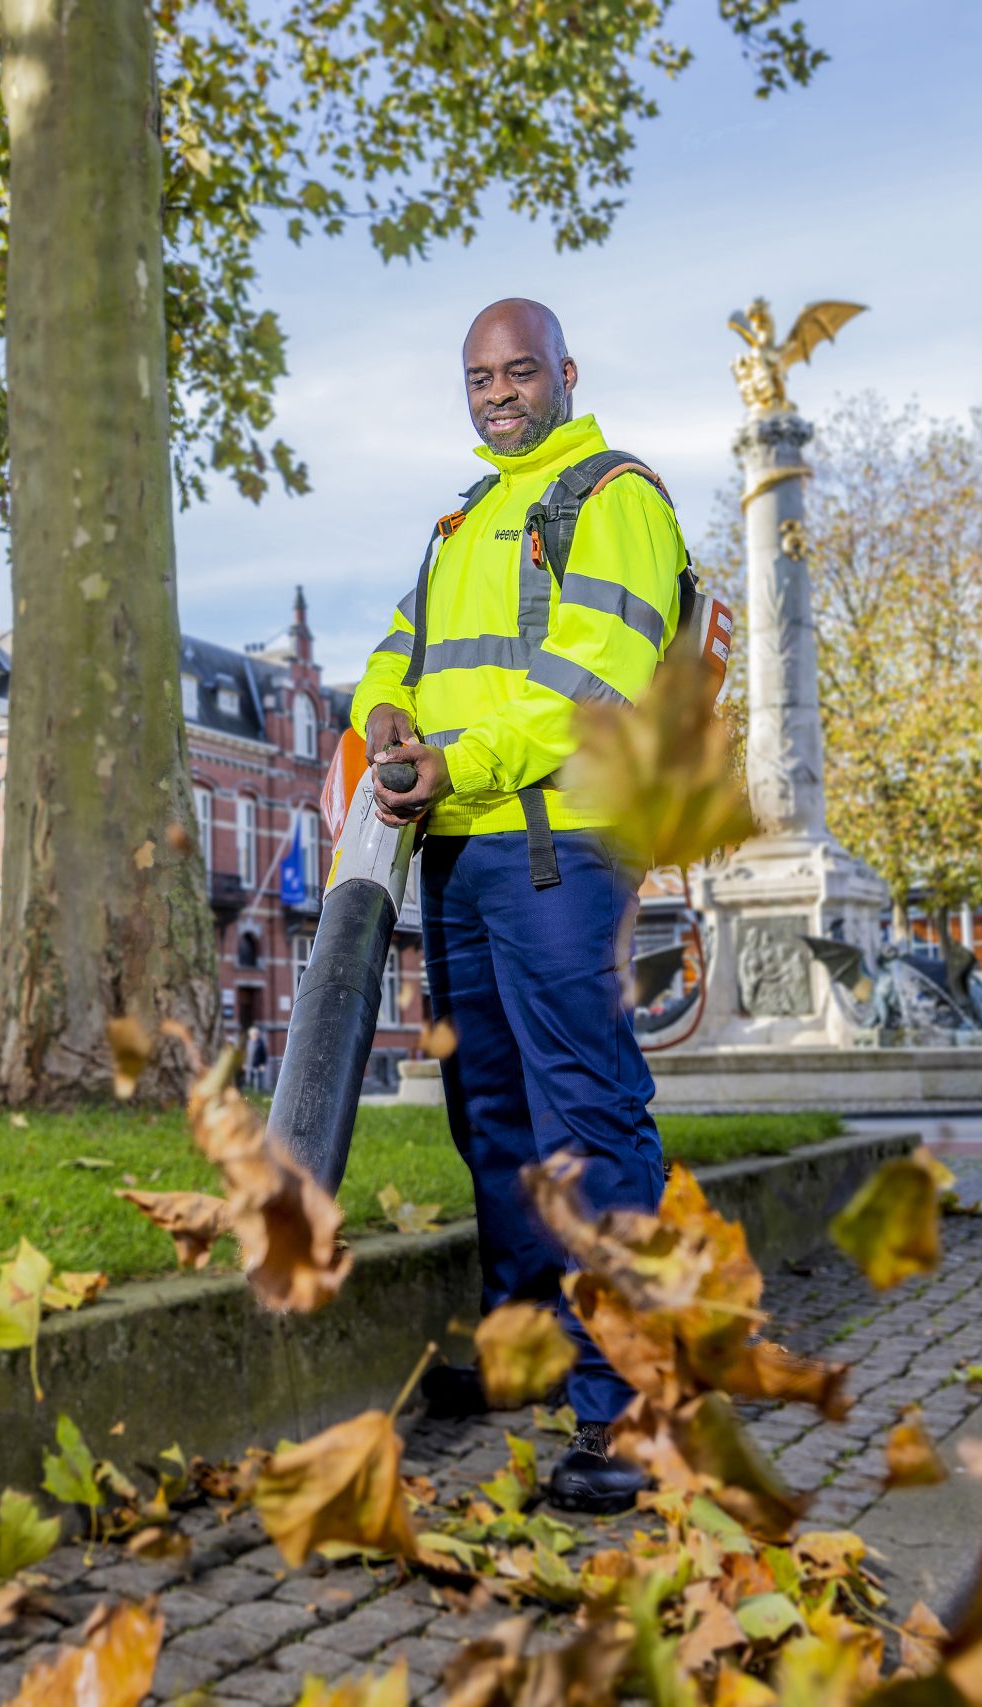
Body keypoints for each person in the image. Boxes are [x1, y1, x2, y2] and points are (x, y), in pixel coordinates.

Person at [351, 297, 685, 1515]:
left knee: (585, 1120)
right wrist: (380, 718)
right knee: (493, 1121)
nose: (498, 391)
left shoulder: (614, 498)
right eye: (478, 376)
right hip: (460, 858)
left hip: (558, 848)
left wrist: (461, 760)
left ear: (564, 373)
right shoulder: (459, 522)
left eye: (519, 371)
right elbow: (399, 652)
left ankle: (631, 1412)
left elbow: (597, 679)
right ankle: (526, 1359)